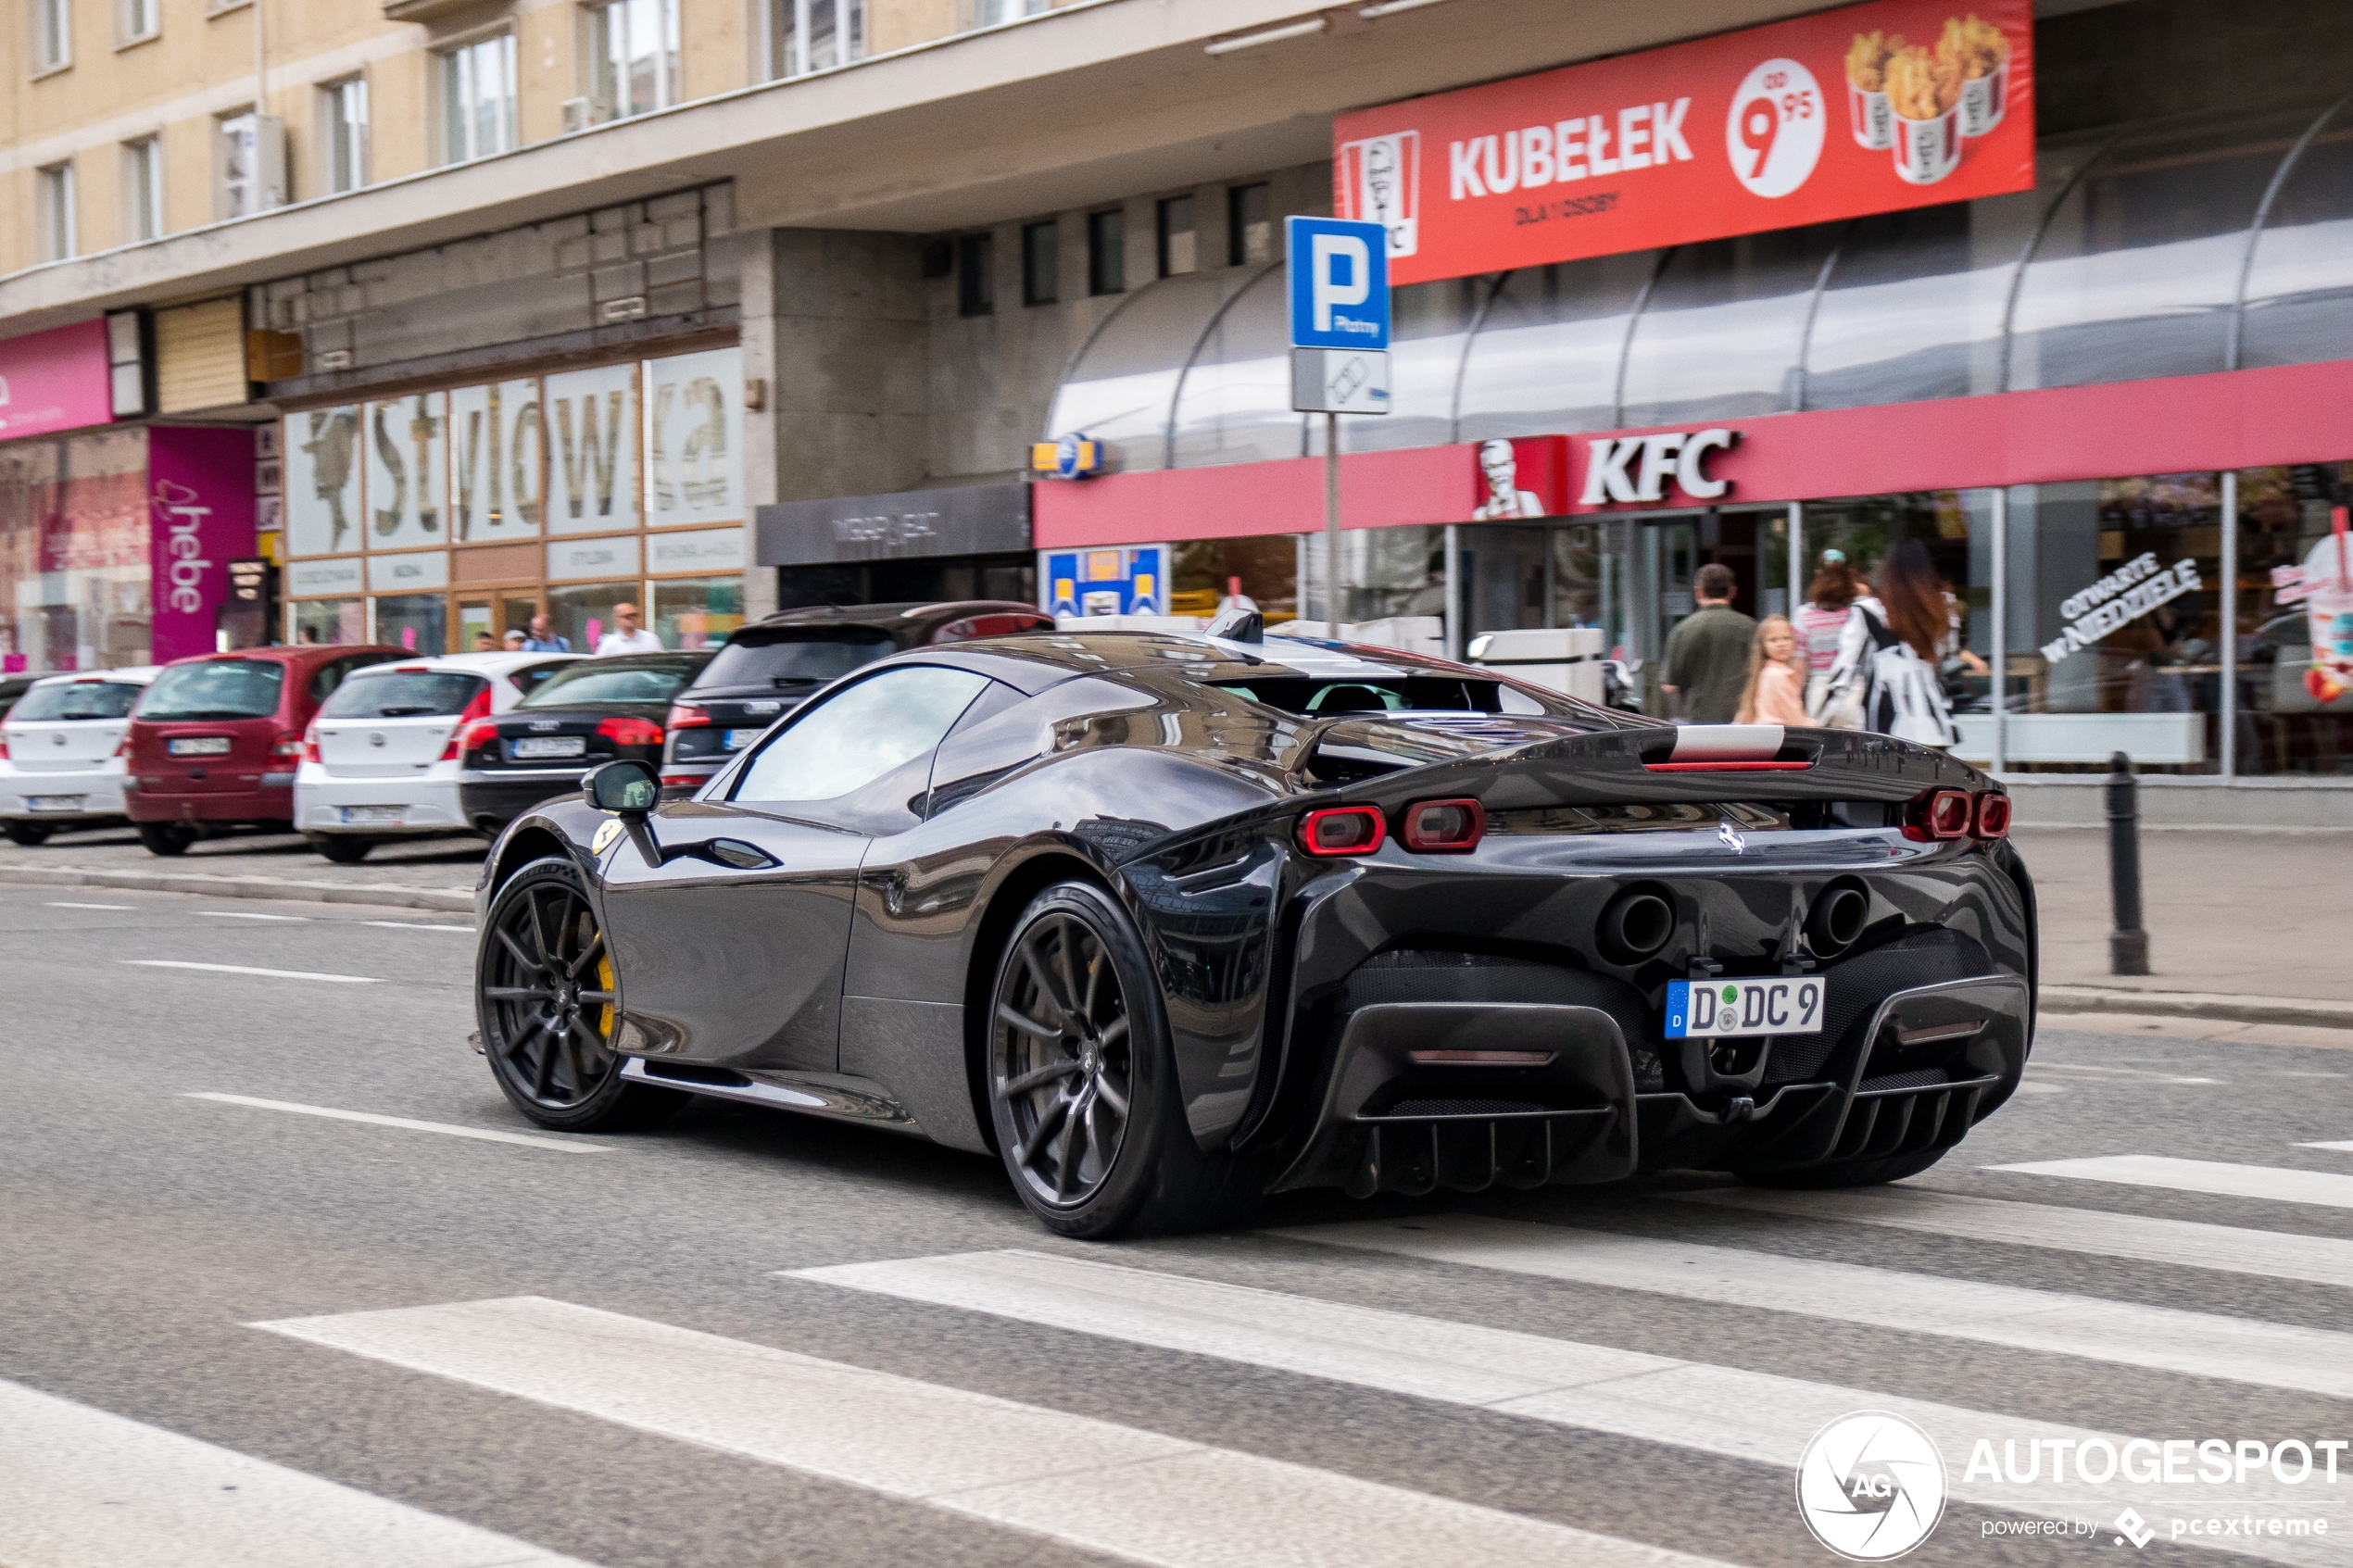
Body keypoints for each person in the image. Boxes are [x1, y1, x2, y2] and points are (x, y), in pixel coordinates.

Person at [1818, 537, 1957, 748]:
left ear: (1888, 574)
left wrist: (1818, 722)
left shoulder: (1868, 614)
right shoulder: (1942, 609)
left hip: (1888, 730)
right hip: (1936, 730)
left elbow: (1842, 675)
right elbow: (1949, 655)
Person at [1659, 562, 1756, 724]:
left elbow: (1670, 686)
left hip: (1698, 723)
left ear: (1699, 592)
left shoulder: (1682, 630)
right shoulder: (1752, 628)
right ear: (1732, 592)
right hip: (1744, 721)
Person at [1795, 549, 1870, 723]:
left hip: (1820, 692)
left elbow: (1800, 665)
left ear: (1818, 573)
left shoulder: (1804, 615)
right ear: (1850, 574)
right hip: (1855, 690)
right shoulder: (1860, 614)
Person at [1736, 615, 1809, 725]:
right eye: (1773, 640)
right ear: (1763, 645)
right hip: (1778, 735)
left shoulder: (1767, 673)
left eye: (1786, 638)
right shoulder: (1776, 675)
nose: (1781, 644)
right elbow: (1795, 718)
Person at [594, 602, 662, 656]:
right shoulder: (609, 643)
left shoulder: (651, 638)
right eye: (627, 616)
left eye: (634, 615)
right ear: (617, 620)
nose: (632, 619)